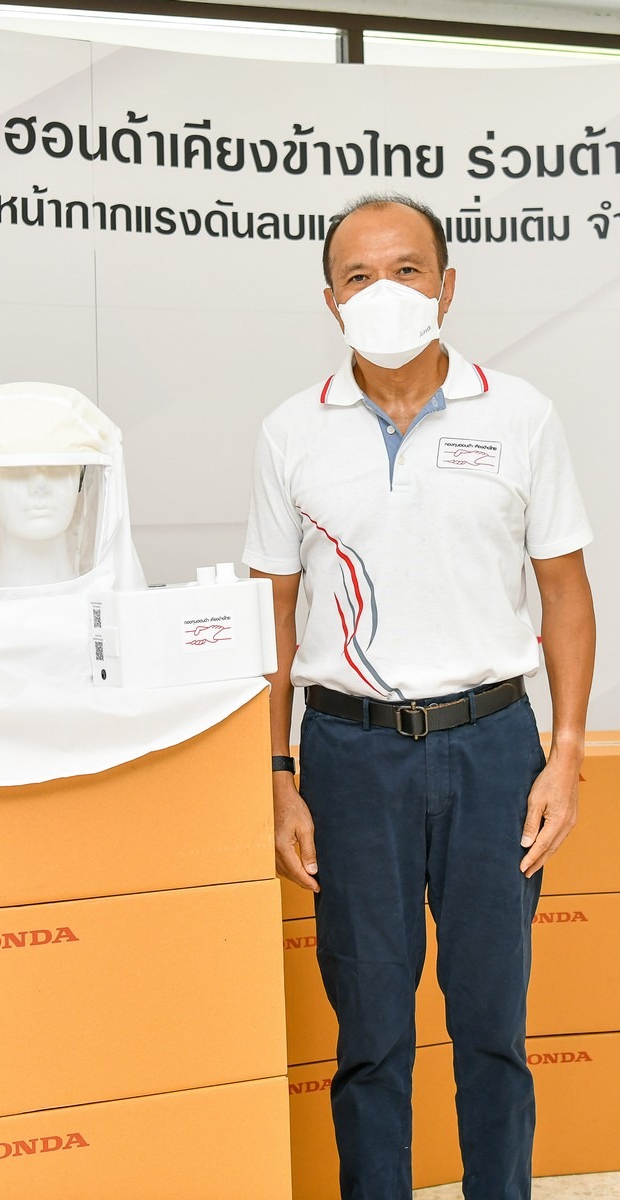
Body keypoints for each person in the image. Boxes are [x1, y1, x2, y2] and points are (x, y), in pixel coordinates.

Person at [243, 194, 595, 1200]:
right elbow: (272, 616)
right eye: (358, 277)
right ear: (329, 301)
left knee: (492, 1028)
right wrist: (278, 775)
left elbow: (565, 595)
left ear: (446, 286)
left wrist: (564, 754)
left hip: (493, 749)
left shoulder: (518, 414)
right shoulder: (290, 432)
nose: (383, 292)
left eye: (406, 270)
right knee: (370, 1036)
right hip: (349, 758)